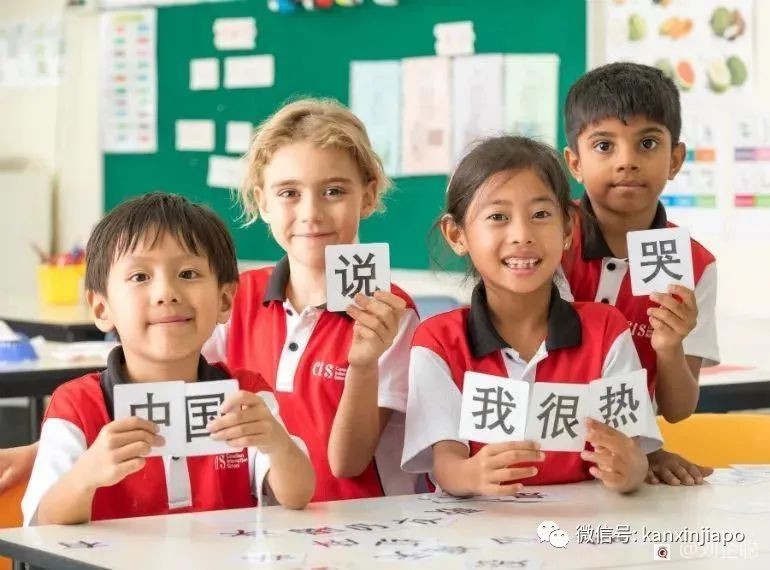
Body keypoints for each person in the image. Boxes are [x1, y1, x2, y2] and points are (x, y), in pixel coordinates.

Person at [21, 193, 314, 525]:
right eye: (140, 277)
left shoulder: (243, 394)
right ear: (102, 308)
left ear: (224, 300)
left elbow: (298, 495)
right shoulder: (76, 406)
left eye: (188, 274)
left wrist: (276, 443)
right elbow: (43, 523)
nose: (166, 293)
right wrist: (86, 476)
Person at [402, 136, 661, 496]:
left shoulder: (606, 330)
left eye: (541, 215)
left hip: (583, 537)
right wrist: (473, 475)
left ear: (568, 228)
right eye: (497, 217)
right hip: (479, 539)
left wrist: (629, 469)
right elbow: (447, 464)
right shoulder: (438, 342)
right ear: (456, 234)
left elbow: (633, 453)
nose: (522, 235)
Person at [202, 98, 419, 501]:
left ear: (368, 197)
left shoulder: (391, 313)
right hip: (256, 527)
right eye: (289, 193)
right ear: (263, 201)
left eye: (333, 191)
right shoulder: (234, 298)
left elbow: (348, 463)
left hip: (362, 532)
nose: (311, 213)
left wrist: (363, 362)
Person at [562, 62, 720, 485]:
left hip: (624, 463)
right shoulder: (545, 242)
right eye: (604, 146)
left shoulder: (695, 265)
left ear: (675, 160)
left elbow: (679, 408)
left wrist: (669, 347)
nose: (627, 162)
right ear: (574, 163)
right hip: (538, 453)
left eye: (647, 143)